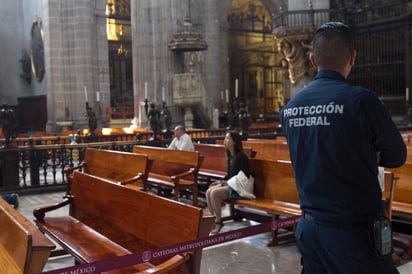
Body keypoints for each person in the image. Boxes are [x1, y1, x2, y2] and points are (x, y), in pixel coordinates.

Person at [280, 22, 406, 274]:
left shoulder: (290, 108)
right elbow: (397, 156)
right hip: (354, 234)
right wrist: (368, 153)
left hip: (309, 229)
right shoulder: (361, 100)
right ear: (353, 58)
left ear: (312, 60)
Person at [205, 130, 253, 234]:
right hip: (231, 185)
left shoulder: (242, 156)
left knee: (214, 193)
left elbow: (245, 175)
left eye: (227, 139)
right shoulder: (231, 156)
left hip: (239, 188)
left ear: (234, 141)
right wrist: (220, 181)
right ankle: (213, 219)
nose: (224, 141)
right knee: (209, 191)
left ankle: (218, 221)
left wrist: (226, 183)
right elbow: (229, 175)